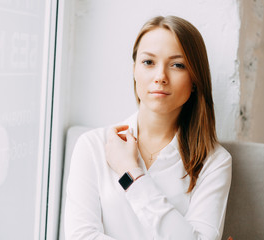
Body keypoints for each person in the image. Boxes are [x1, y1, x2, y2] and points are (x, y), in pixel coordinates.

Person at [64, 15, 232, 240]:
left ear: (194, 79)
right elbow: (80, 236)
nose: (160, 77)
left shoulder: (214, 162)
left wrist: (130, 173)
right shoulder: (92, 145)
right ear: (134, 70)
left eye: (177, 65)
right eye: (148, 62)